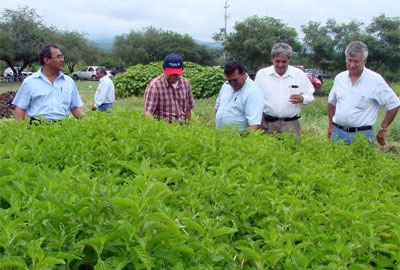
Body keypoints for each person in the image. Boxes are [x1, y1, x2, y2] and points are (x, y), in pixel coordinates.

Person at [327, 41, 400, 146]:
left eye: (356, 61)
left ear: (364, 60)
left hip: (362, 135)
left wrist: (383, 128)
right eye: (349, 60)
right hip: (338, 133)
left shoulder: (375, 80)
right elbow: (331, 103)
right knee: (334, 161)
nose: (352, 65)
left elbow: (393, 104)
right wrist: (331, 126)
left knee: (362, 162)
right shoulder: (340, 78)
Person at [12, 44, 84, 123]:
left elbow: (75, 107)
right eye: (58, 57)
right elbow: (20, 108)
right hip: (38, 128)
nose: (62, 60)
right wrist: (20, 131)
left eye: (62, 56)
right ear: (46, 60)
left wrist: (90, 124)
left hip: (64, 127)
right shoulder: (30, 82)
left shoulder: (68, 82)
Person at [255, 43, 314, 136]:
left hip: (291, 124)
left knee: (293, 149)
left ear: (289, 60)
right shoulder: (262, 75)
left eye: (284, 61)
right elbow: (255, 99)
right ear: (272, 59)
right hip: (268, 123)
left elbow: (310, 96)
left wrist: (302, 99)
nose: (280, 65)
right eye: (277, 61)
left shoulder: (299, 75)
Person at [143, 53, 194, 123]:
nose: (173, 77)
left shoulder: (186, 84)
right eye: (170, 73)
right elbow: (148, 113)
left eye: (176, 74)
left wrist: (188, 126)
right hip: (163, 128)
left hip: (182, 128)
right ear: (164, 69)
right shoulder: (155, 86)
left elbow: (188, 110)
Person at [215, 61, 263, 131]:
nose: (232, 83)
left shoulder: (253, 92)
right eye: (229, 80)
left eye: (235, 80)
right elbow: (217, 107)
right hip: (221, 136)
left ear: (243, 74)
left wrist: (250, 141)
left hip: (239, 139)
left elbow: (254, 125)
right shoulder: (226, 85)